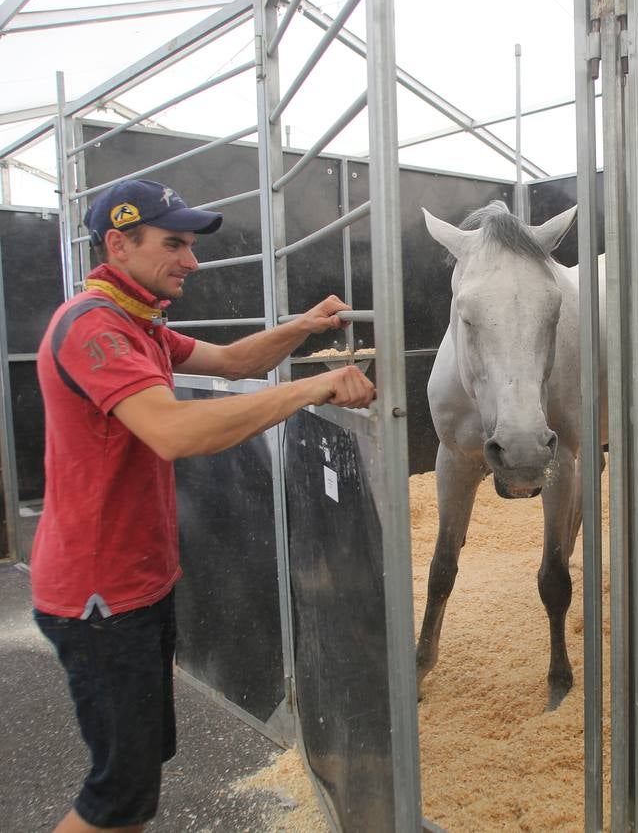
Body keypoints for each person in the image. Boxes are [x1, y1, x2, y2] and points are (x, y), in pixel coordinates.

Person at [29, 178, 377, 833]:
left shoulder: (141, 326)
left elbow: (233, 363)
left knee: (136, 774)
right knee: (116, 794)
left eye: (190, 244)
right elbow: (174, 431)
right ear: (117, 244)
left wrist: (303, 328)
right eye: (173, 244)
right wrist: (311, 392)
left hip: (135, 586)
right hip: (98, 598)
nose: (191, 260)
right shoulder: (93, 330)